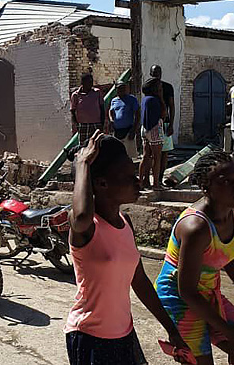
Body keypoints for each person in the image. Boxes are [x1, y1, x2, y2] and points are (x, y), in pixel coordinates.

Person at [66, 131, 188, 364]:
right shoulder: (86, 227)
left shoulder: (125, 223)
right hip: (90, 337)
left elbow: (140, 280)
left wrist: (171, 329)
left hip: (124, 334)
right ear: (102, 183)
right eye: (129, 176)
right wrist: (81, 162)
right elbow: (81, 215)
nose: (138, 182)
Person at [155, 150, 234, 364]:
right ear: (206, 187)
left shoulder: (233, 211)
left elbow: (229, 259)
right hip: (180, 298)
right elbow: (186, 291)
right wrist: (231, 335)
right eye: (227, 181)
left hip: (208, 292)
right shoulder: (196, 228)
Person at [150, 65, 175, 185]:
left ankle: (159, 178)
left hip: (164, 123)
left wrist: (171, 124)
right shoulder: (148, 87)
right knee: (151, 154)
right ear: (151, 74)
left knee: (164, 153)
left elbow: (172, 106)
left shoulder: (167, 87)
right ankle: (152, 179)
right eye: (154, 72)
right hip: (151, 124)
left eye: (159, 72)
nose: (157, 74)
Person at [139, 78, 164, 191]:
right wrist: (161, 97)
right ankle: (156, 184)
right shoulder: (155, 100)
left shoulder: (145, 99)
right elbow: (163, 113)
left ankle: (142, 182)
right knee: (157, 157)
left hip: (144, 128)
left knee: (145, 156)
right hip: (154, 128)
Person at [71, 73, 105, 144]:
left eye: (91, 82)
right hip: (83, 125)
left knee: (97, 145)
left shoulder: (97, 92)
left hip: (96, 124)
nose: (91, 84)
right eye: (88, 82)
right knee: (83, 146)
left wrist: (102, 123)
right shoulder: (75, 95)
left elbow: (102, 108)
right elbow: (73, 111)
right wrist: (77, 125)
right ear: (82, 83)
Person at [109, 81, 139, 158]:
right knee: (118, 155)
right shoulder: (114, 100)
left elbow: (138, 114)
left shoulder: (132, 99)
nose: (122, 90)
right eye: (120, 88)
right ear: (116, 90)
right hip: (117, 131)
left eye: (124, 88)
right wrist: (111, 120)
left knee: (130, 155)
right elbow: (111, 111)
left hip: (128, 131)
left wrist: (134, 130)